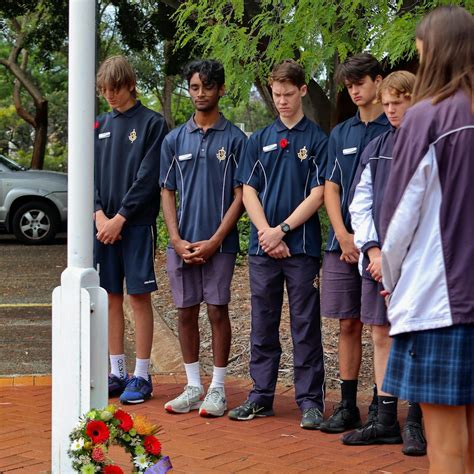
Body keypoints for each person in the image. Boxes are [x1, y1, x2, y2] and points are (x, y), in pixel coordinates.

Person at [380, 6, 474, 473]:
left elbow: (398, 217)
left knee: (446, 450)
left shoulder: (427, 116)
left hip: (443, 300)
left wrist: (390, 278)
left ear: (434, 51)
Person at [228, 59, 328, 429]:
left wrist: (282, 229)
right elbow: (248, 190)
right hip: (262, 250)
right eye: (276, 94)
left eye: (288, 94)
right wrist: (267, 233)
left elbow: (320, 193)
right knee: (263, 323)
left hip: (301, 249)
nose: (282, 101)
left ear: (302, 90)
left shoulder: (318, 140)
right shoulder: (259, 139)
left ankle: (310, 402)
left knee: (305, 324)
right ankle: (261, 397)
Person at [160, 60, 246, 417]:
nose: (200, 94)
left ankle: (218, 389)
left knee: (217, 311)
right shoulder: (173, 139)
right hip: (182, 244)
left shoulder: (236, 139)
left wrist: (214, 240)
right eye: (194, 87)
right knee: (184, 312)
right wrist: (176, 239)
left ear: (221, 90)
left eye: (207, 87)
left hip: (219, 246)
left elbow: (243, 196)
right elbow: (167, 191)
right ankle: (194, 385)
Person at [346, 71, 426, 455]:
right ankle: (385, 420)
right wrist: (373, 250)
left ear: (416, 99)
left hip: (417, 264)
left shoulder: (431, 146)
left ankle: (417, 421)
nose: (392, 109)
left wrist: (398, 257)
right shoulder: (375, 147)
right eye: (388, 102)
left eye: (400, 102)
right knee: (380, 334)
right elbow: (360, 203)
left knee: (414, 340)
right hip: (377, 261)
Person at [320, 53, 391, 434]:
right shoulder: (341, 132)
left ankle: (384, 407)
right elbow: (331, 188)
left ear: (378, 81)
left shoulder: (393, 126)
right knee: (347, 324)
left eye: (360, 83)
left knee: (380, 326)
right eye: (349, 86)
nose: (355, 91)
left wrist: (367, 243)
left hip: (381, 248)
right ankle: (348, 405)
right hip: (341, 243)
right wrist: (344, 235)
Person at [94, 55, 168, 404]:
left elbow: (148, 177)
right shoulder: (99, 125)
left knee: (138, 296)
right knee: (110, 295)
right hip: (103, 226)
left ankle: (141, 375)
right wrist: (98, 214)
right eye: (104, 90)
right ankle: (117, 371)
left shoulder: (153, 124)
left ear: (130, 84)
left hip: (135, 226)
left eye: (115, 89)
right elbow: (88, 174)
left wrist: (120, 217)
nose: (110, 95)